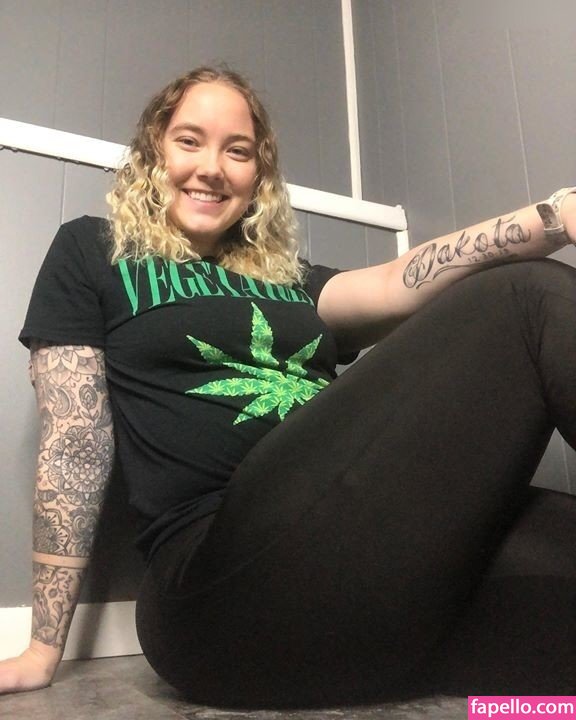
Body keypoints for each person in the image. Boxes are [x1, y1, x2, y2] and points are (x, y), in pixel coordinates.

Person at [1, 65, 576, 707]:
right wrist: (42, 648)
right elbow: (74, 445)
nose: (212, 167)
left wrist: (555, 217)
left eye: (238, 151)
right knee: (528, 299)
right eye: (189, 140)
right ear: (153, 152)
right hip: (218, 591)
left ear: (259, 176)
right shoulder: (93, 250)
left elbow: (397, 282)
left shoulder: (291, 279)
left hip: (356, 581)